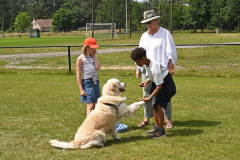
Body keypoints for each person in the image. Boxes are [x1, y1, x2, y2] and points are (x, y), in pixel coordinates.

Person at [136, 10, 177, 129]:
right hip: (147, 70)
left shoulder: (165, 33)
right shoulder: (144, 36)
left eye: (150, 22)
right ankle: (147, 118)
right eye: (146, 23)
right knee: (147, 93)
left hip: (161, 71)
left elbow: (171, 52)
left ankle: (168, 120)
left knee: (164, 94)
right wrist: (138, 68)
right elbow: (140, 53)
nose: (148, 24)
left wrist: (171, 67)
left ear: (156, 20)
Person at [131, 47, 176, 137]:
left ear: (143, 59)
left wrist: (150, 97)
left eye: (137, 62)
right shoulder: (147, 64)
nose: (136, 64)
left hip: (166, 85)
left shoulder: (154, 67)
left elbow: (160, 86)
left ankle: (161, 132)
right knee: (154, 105)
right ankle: (157, 127)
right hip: (159, 83)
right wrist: (146, 81)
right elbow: (151, 77)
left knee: (158, 106)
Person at [76, 37, 101, 116]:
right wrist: (81, 89)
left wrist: (95, 56)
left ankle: (93, 122)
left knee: (95, 104)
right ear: (86, 47)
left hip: (95, 81)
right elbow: (78, 74)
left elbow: (98, 67)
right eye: (92, 48)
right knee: (90, 105)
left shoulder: (93, 57)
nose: (94, 50)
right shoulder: (80, 59)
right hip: (87, 83)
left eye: (95, 49)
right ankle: (88, 125)